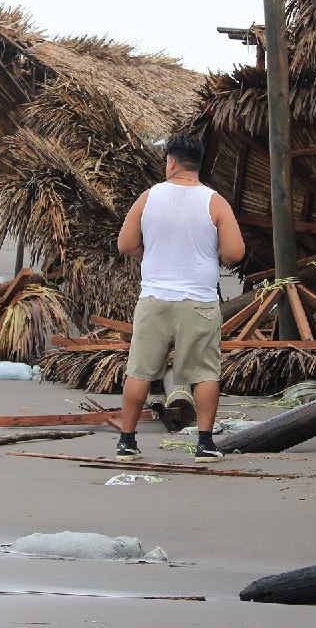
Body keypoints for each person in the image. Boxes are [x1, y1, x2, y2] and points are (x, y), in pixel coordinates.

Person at [115, 134, 244, 461]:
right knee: (204, 373)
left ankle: (127, 442)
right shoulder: (215, 202)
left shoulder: (148, 197)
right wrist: (217, 256)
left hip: (155, 299)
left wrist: (151, 252)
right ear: (197, 164)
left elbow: (126, 245)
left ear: (171, 162)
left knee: (140, 371)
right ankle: (204, 444)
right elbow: (235, 252)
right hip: (198, 302)